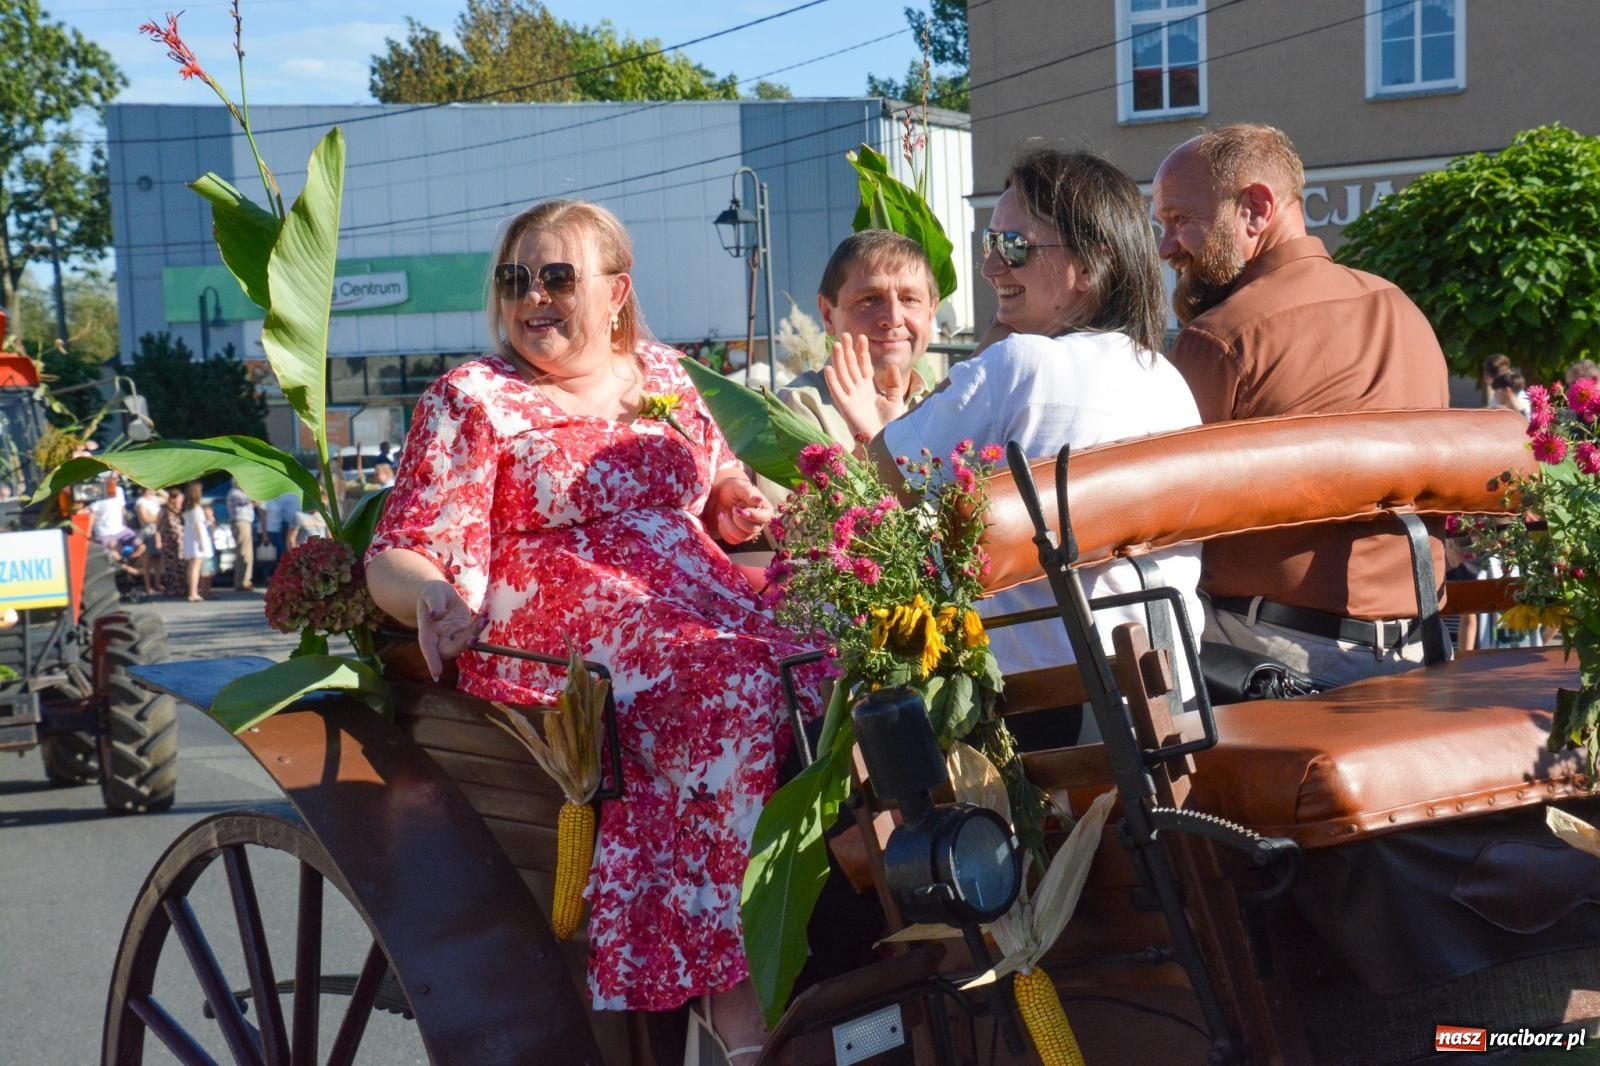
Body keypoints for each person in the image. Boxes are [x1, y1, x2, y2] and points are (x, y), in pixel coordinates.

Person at [365, 197, 815, 1058]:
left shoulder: (664, 373)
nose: (533, 296)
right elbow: (400, 548)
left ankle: (851, 907)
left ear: (616, 291)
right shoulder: (472, 397)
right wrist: (431, 597)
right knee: (724, 682)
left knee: (832, 658)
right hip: (566, 637)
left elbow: (719, 477)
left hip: (697, 602)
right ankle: (728, 985)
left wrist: (732, 498)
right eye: (515, 279)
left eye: (557, 277)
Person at [826, 147, 1205, 708]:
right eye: (991, 243)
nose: (990, 267)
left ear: (1090, 266)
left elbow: (880, 486)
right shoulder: (1166, 379)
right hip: (1167, 694)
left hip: (1040, 703)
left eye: (1015, 247)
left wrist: (875, 425)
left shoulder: (1020, 363)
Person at [1153, 123, 1450, 686]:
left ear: (1255, 210)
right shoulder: (1404, 310)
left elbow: (1158, 515)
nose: (1166, 247)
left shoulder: (1221, 339)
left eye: (1179, 219)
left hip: (1275, 658)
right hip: (1423, 650)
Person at [179, 480, 214, 602]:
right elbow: (198, 526)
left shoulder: (188, 507)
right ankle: (193, 593)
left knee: (192, 567)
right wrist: (202, 543)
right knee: (196, 566)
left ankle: (193, 591)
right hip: (196, 539)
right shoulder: (196, 508)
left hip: (190, 538)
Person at [226, 479, 258, 590]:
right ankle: (242, 581)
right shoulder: (236, 493)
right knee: (244, 553)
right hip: (241, 523)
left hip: (244, 523)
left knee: (246, 553)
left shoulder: (237, 493)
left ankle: (244, 580)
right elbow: (251, 500)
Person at [134, 485, 166, 594]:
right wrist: (159, 517)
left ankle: (157, 583)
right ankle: (148, 585)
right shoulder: (141, 502)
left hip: (157, 531)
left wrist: (158, 486)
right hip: (148, 532)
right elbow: (145, 518)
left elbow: (167, 497)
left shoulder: (154, 500)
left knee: (158, 559)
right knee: (148, 560)